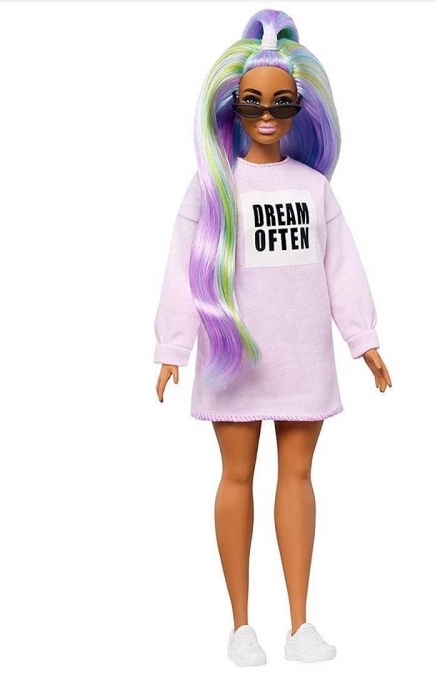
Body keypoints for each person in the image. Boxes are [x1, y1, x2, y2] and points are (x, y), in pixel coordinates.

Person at [153, 8, 392, 667]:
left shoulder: (314, 189)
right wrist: (172, 348)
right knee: (235, 477)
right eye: (252, 102)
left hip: (302, 355)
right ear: (231, 107)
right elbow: (182, 270)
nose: (266, 114)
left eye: (280, 103)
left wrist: (363, 339)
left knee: (298, 477)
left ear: (300, 109)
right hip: (233, 357)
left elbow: (341, 270)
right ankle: (240, 624)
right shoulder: (212, 188)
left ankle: (299, 622)